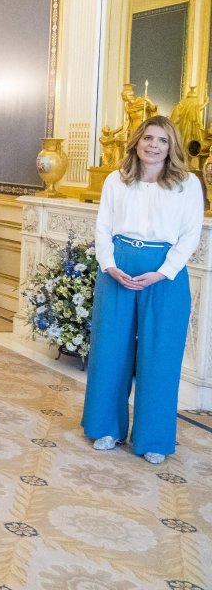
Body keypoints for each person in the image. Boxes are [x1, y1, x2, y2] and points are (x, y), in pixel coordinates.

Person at [82, 116, 203, 465]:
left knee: (160, 355)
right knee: (110, 350)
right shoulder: (116, 181)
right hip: (118, 267)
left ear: (172, 148)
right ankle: (106, 427)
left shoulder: (188, 184)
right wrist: (109, 265)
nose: (153, 145)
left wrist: (163, 272)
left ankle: (154, 437)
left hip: (164, 274)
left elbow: (190, 235)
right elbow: (103, 227)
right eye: (148, 138)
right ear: (136, 142)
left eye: (162, 140)